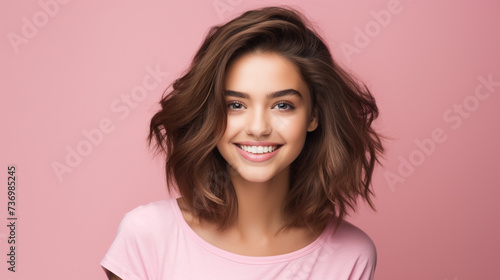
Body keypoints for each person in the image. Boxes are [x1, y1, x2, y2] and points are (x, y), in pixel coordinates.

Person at [100, 5, 385, 280]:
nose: (258, 128)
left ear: (313, 116)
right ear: (209, 113)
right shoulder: (148, 237)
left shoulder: (350, 256)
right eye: (236, 105)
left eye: (283, 105)